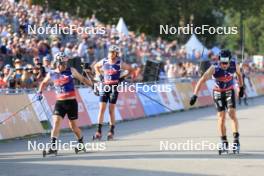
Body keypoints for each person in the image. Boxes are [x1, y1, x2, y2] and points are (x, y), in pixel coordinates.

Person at [36, 52, 93, 154]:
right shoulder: (52, 73)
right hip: (60, 103)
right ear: (57, 63)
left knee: (73, 127)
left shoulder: (71, 71)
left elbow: (83, 79)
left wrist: (93, 86)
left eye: (66, 63)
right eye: (63, 63)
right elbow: (44, 82)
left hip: (71, 102)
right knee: (56, 123)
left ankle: (81, 143)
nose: (65, 65)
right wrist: (39, 92)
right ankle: (53, 147)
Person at [189, 49, 244, 152]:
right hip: (218, 92)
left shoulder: (234, 65)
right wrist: (195, 95)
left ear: (229, 61)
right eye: (222, 63)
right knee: (221, 117)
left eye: (226, 63)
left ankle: (236, 141)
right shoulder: (214, 68)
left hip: (229, 91)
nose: (224, 65)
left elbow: (240, 75)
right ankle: (224, 142)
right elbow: (202, 80)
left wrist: (241, 88)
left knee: (232, 113)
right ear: (219, 61)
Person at [93, 45, 134, 140]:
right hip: (104, 86)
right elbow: (96, 66)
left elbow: (131, 69)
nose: (110, 54)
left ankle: (111, 131)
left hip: (114, 87)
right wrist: (99, 75)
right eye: (109, 52)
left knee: (111, 110)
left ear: (116, 54)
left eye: (112, 52)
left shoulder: (119, 63)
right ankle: (98, 131)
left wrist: (122, 77)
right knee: (101, 109)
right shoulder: (104, 61)